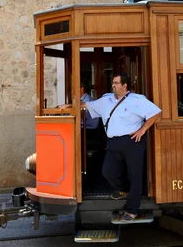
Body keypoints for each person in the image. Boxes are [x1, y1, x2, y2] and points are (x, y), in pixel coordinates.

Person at [60, 73, 161, 223]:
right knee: (108, 171)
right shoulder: (106, 100)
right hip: (113, 142)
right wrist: (69, 105)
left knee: (135, 175)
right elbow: (85, 106)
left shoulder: (137, 100)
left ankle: (132, 210)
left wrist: (143, 129)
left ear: (124, 86)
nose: (113, 85)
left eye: (116, 83)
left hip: (132, 141)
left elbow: (156, 112)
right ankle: (124, 189)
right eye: (113, 83)